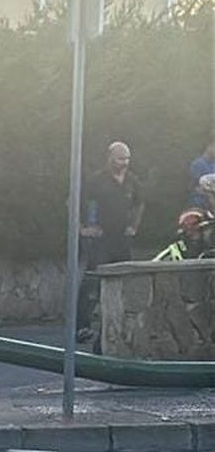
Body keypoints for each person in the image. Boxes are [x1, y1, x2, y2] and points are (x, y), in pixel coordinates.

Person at [77, 141, 144, 342]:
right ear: (110, 158)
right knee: (92, 282)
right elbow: (84, 202)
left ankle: (121, 326)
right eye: (120, 159)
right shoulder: (97, 180)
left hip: (122, 239)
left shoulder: (132, 181)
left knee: (125, 280)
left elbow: (140, 203)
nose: (124, 163)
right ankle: (82, 326)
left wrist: (134, 226)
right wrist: (85, 227)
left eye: (127, 159)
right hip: (101, 238)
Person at [189, 133, 215, 208]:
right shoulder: (197, 164)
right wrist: (210, 197)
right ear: (209, 146)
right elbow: (195, 186)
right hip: (200, 205)